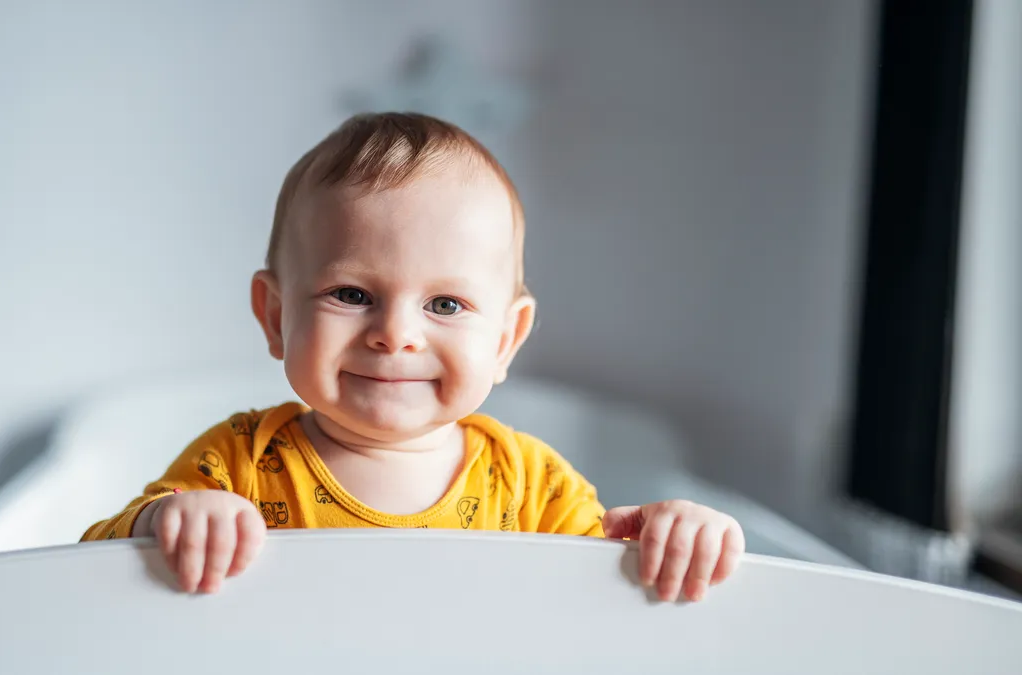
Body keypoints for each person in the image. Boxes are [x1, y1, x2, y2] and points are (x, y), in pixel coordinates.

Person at [82, 112, 744, 603]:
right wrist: (165, 522)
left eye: (447, 305)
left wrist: (672, 535)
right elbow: (92, 566)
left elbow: (603, 601)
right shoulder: (240, 462)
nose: (395, 334)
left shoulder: (530, 484)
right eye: (352, 293)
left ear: (506, 340)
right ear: (276, 315)